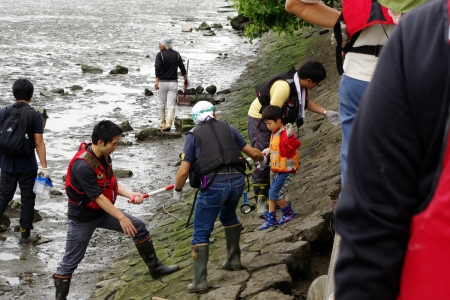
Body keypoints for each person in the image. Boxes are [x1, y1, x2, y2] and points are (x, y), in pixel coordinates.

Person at [334, 0, 445, 299]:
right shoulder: (427, 29)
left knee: (359, 169)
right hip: (390, 69)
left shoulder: (427, 30)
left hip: (363, 72)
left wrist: (341, 19)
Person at [53, 120, 179, 299]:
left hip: (103, 212)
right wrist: (121, 217)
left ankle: (155, 268)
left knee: (139, 228)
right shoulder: (82, 166)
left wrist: (130, 194)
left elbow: (110, 184)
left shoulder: (105, 157)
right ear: (100, 142)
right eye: (114, 143)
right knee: (71, 261)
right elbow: (98, 197)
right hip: (82, 218)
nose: (116, 147)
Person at [285, 0, 396, 188]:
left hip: (359, 75)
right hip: (411, 72)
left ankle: (356, 210)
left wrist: (346, 20)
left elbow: (294, 4)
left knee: (355, 158)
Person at [174, 101, 264, 293]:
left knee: (201, 232)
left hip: (215, 187)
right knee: (229, 216)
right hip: (238, 183)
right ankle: (233, 259)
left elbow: (183, 172)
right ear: (213, 114)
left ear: (196, 119)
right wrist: (262, 159)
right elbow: (253, 153)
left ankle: (199, 282)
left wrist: (178, 191)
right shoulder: (228, 128)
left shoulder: (193, 136)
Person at [247, 61, 338, 214]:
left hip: (276, 121)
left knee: (277, 157)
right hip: (262, 119)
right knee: (263, 157)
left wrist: (326, 112)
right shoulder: (284, 87)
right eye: (318, 83)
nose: (317, 86)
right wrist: (279, 134)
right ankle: (261, 201)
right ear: (309, 81)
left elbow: (304, 103)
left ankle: (273, 196)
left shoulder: (299, 86)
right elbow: (272, 112)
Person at [0, 78, 48, 245]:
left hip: (6, 162)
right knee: (28, 198)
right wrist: (44, 167)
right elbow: (39, 142)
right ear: (31, 95)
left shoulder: (4, 111)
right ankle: (24, 235)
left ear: (14, 94)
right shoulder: (34, 114)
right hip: (27, 163)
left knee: (4, 195)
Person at [258, 105, 301, 230]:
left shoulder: (286, 133)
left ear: (278, 120)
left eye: (269, 123)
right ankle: (271, 218)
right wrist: (267, 151)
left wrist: (290, 136)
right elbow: (276, 148)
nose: (268, 126)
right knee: (272, 193)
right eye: (266, 124)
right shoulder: (274, 133)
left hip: (287, 170)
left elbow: (295, 144)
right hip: (277, 169)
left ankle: (288, 213)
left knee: (275, 193)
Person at [154, 36, 188, 131]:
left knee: (161, 103)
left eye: (160, 44)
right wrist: (185, 80)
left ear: (164, 45)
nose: (158, 46)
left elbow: (157, 67)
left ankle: (162, 124)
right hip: (173, 83)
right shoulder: (176, 55)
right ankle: (169, 123)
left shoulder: (160, 55)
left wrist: (157, 81)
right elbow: (182, 68)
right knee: (171, 104)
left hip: (162, 83)